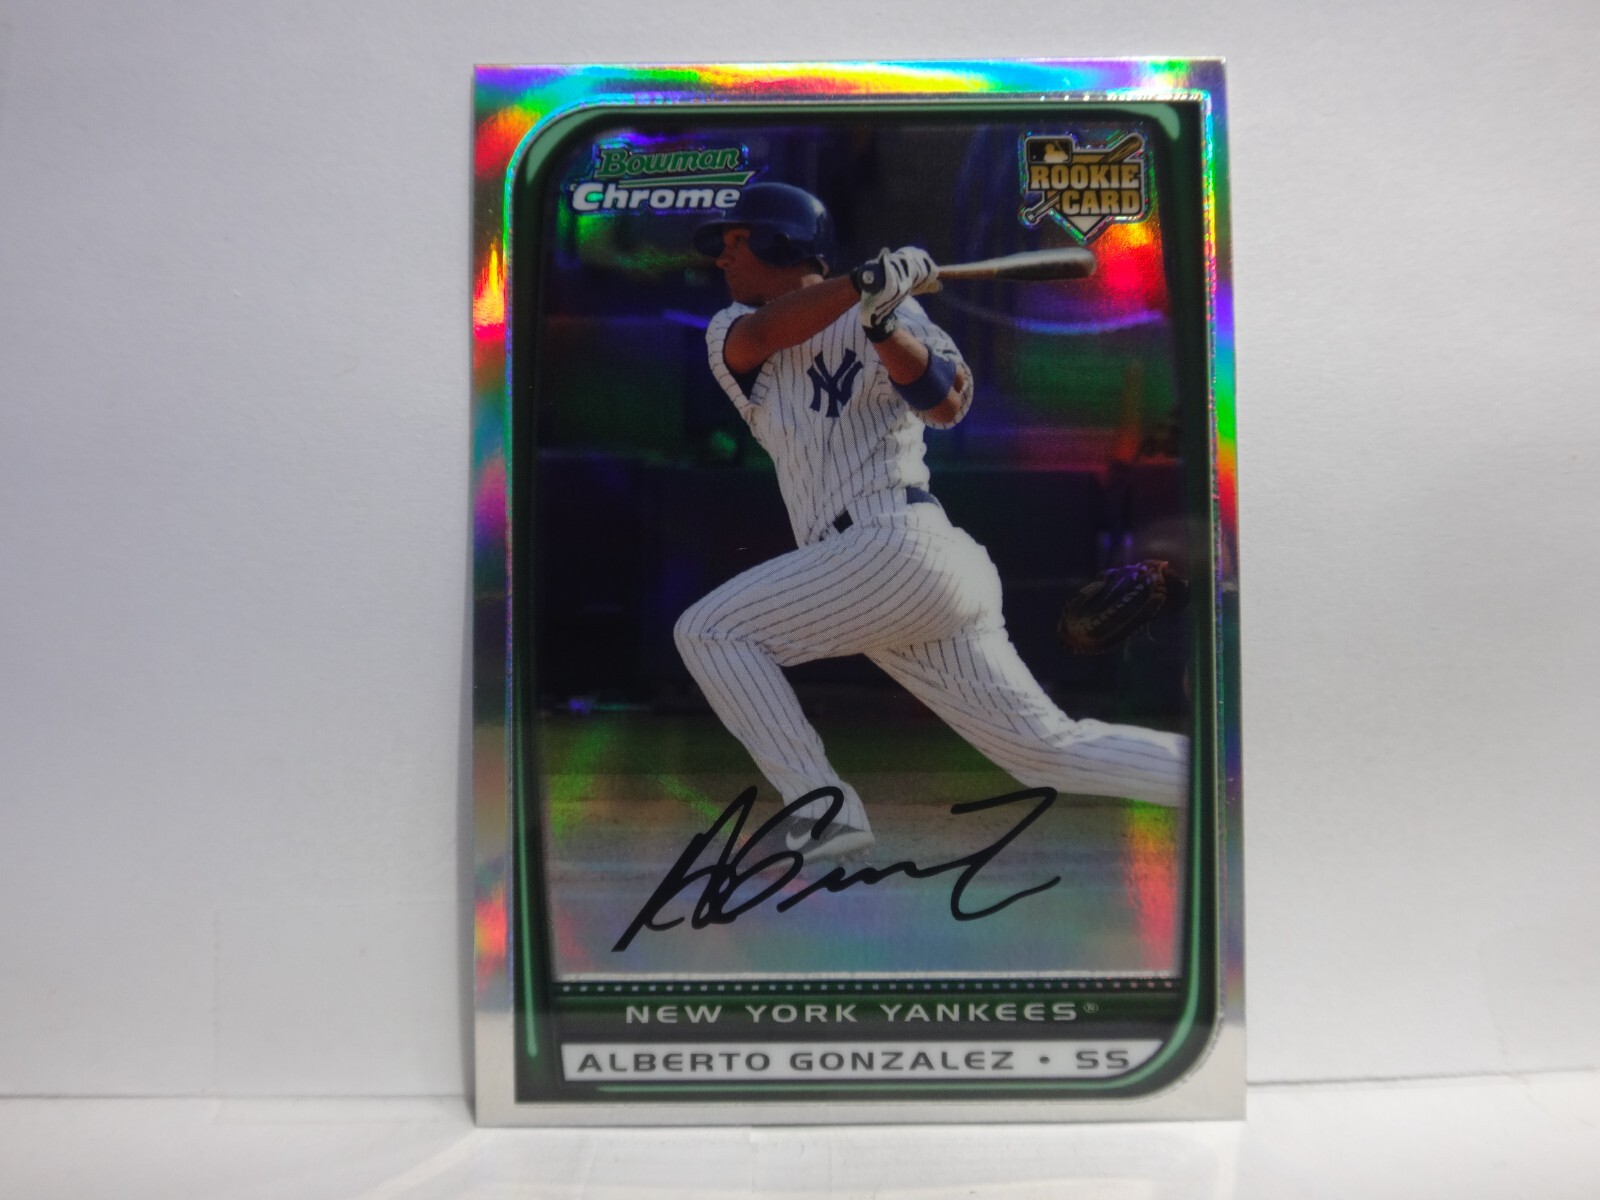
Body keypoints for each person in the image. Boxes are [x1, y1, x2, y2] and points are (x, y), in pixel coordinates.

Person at [675, 183, 1188, 862]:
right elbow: (765, 336)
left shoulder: (894, 309)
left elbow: (945, 404)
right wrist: (862, 285)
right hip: (879, 572)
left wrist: (883, 325)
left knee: (709, 630)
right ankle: (1212, 773)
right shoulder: (731, 328)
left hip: (896, 543)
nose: (722, 259)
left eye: (737, 242)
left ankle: (822, 812)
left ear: (781, 242)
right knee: (1045, 752)